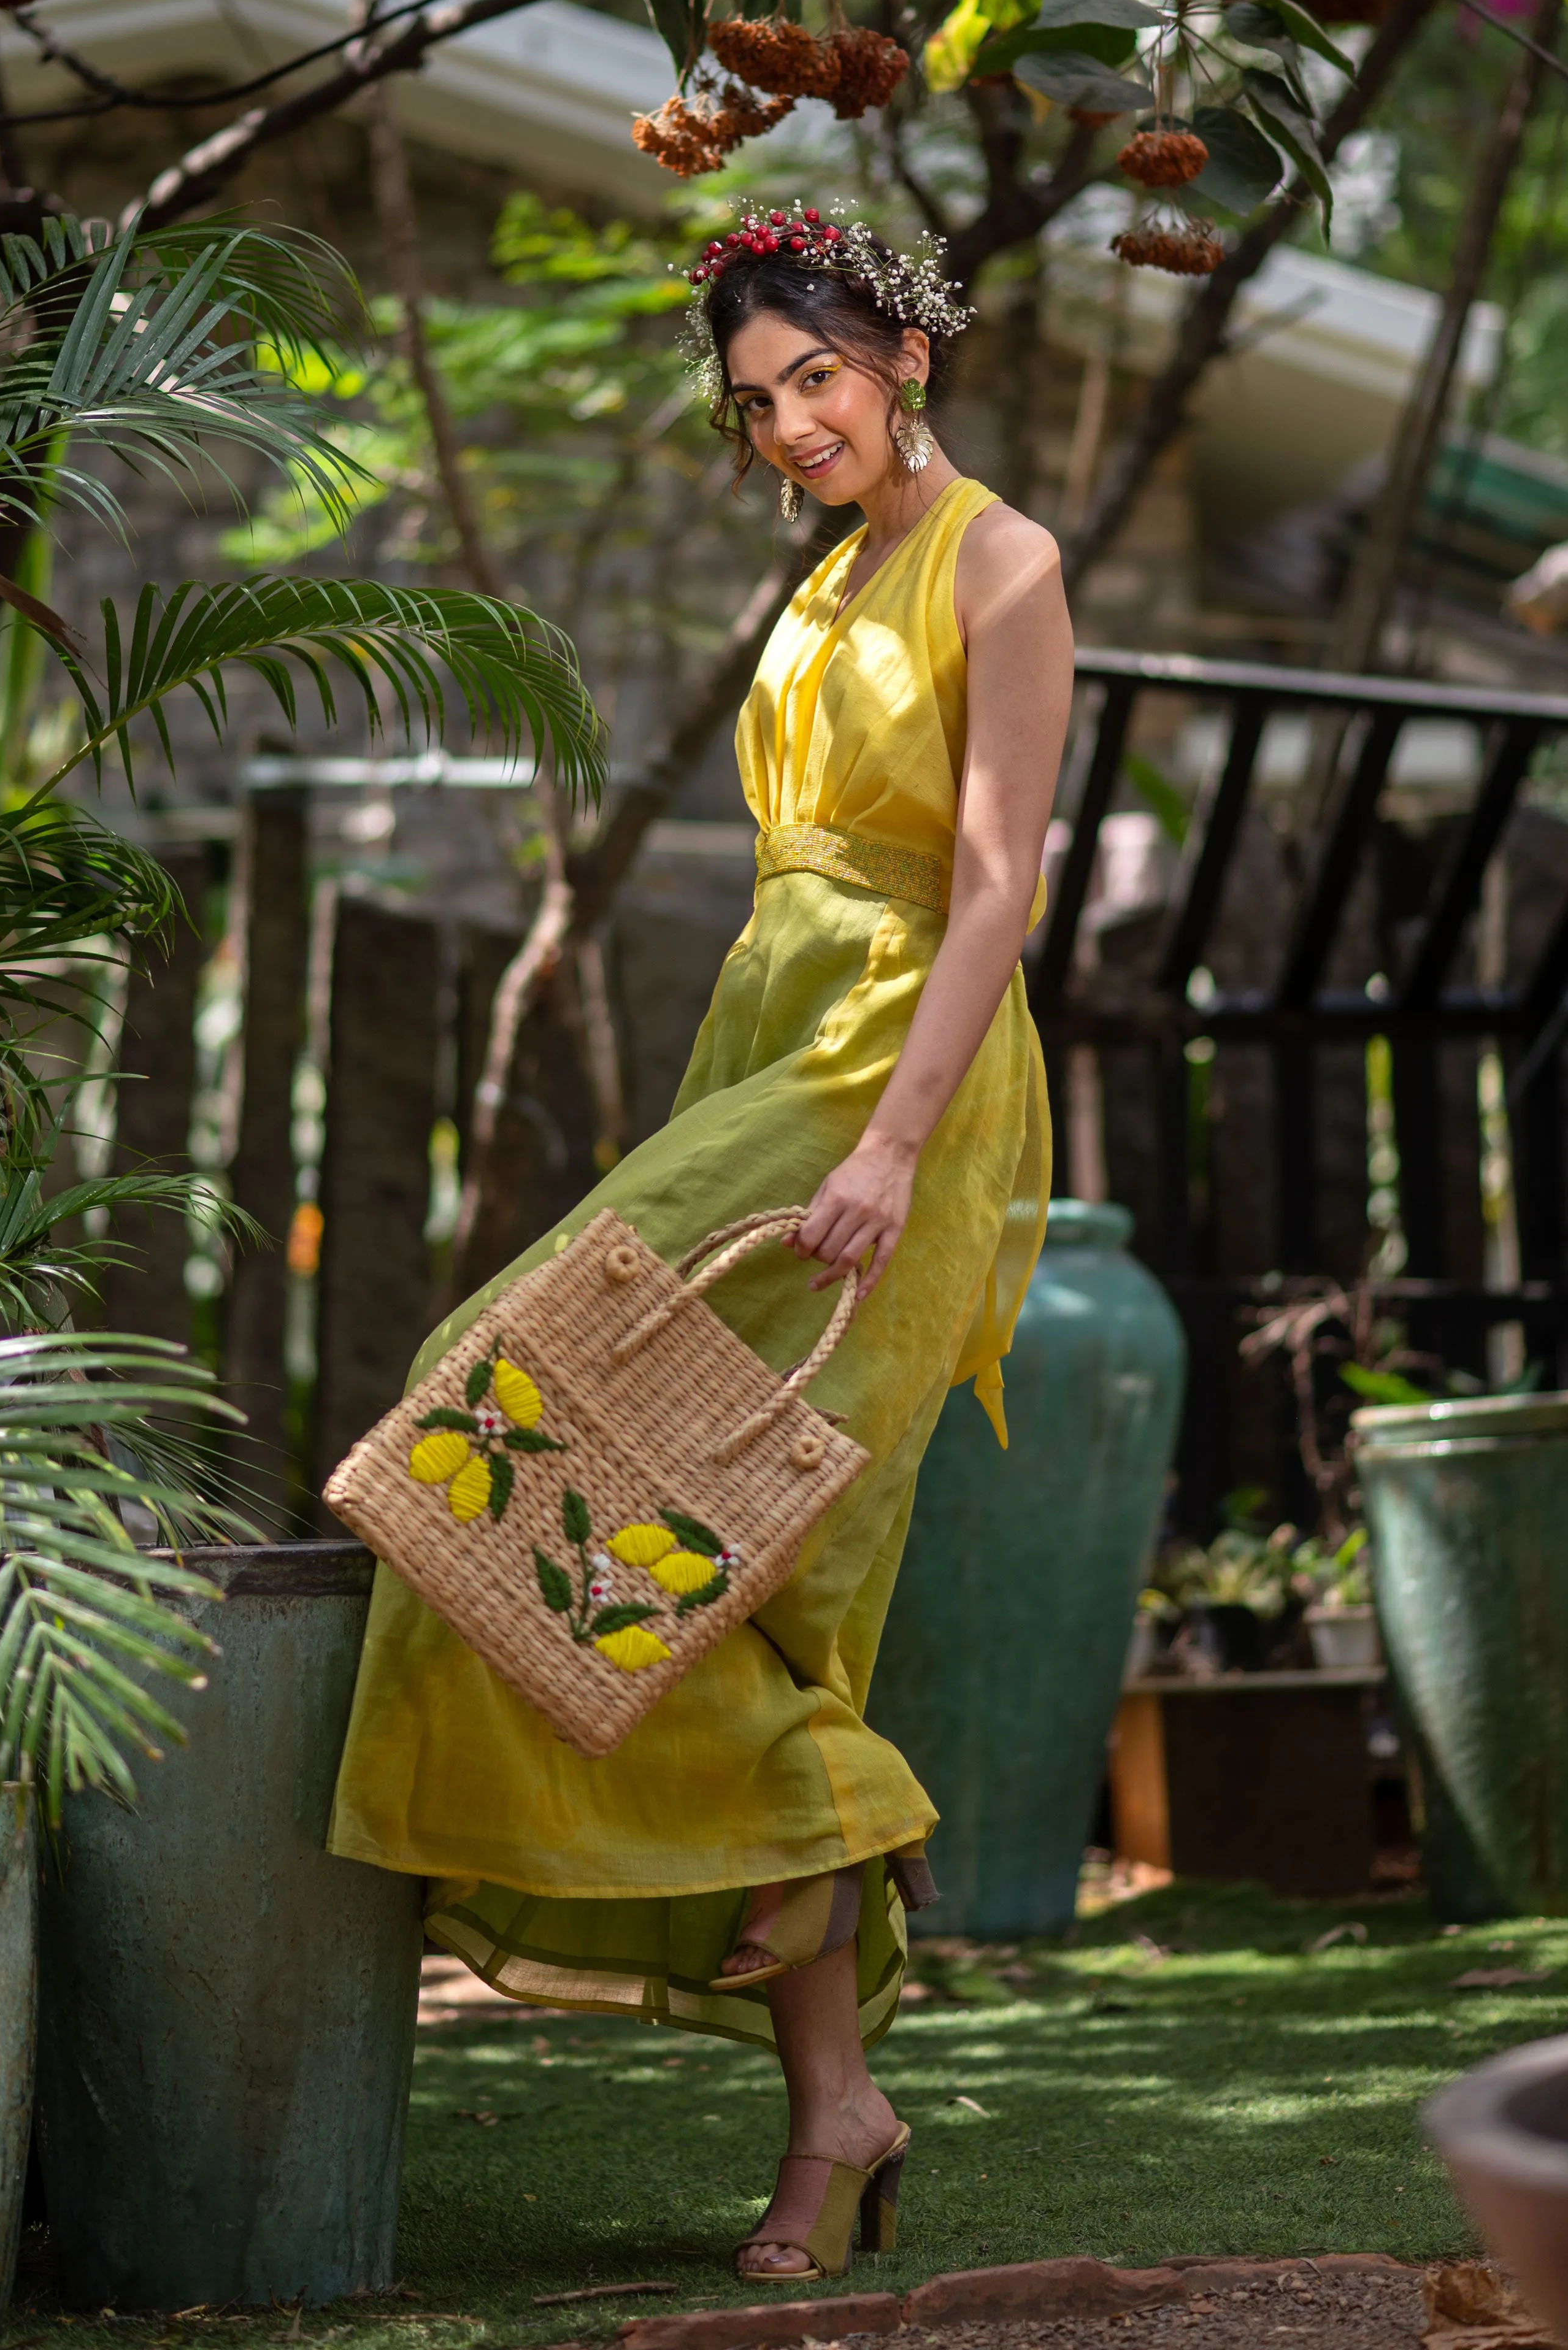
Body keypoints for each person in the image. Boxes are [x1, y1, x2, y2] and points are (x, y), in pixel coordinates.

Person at [329, 199, 1073, 2284]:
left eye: (817, 378)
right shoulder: (830, 571)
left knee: (673, 1507)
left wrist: (890, 1150)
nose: (790, 426)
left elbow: (999, 891)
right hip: (772, 1043)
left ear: (904, 356)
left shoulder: (996, 562)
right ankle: (836, 2095)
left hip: (893, 1081)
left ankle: (835, 1949)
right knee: (607, 1508)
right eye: (756, 403)